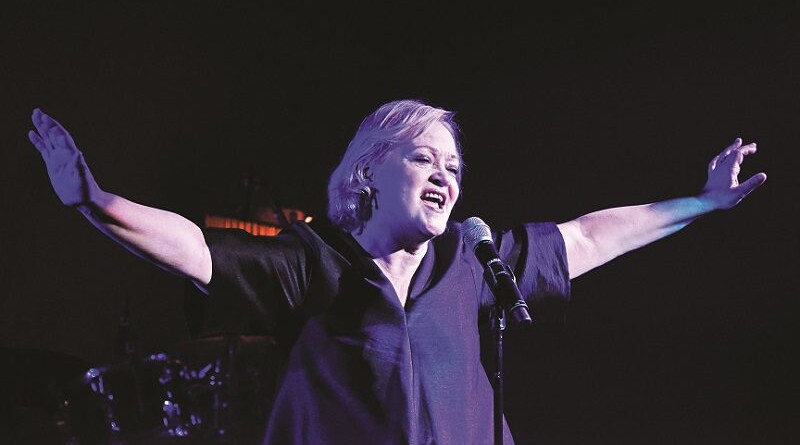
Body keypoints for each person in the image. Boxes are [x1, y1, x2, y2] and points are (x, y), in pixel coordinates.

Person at [27, 99, 766, 445]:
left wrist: (701, 202)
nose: (445, 175)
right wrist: (96, 201)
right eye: (423, 158)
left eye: (454, 166)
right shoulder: (316, 263)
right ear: (369, 172)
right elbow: (196, 249)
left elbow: (588, 236)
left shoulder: (471, 261)